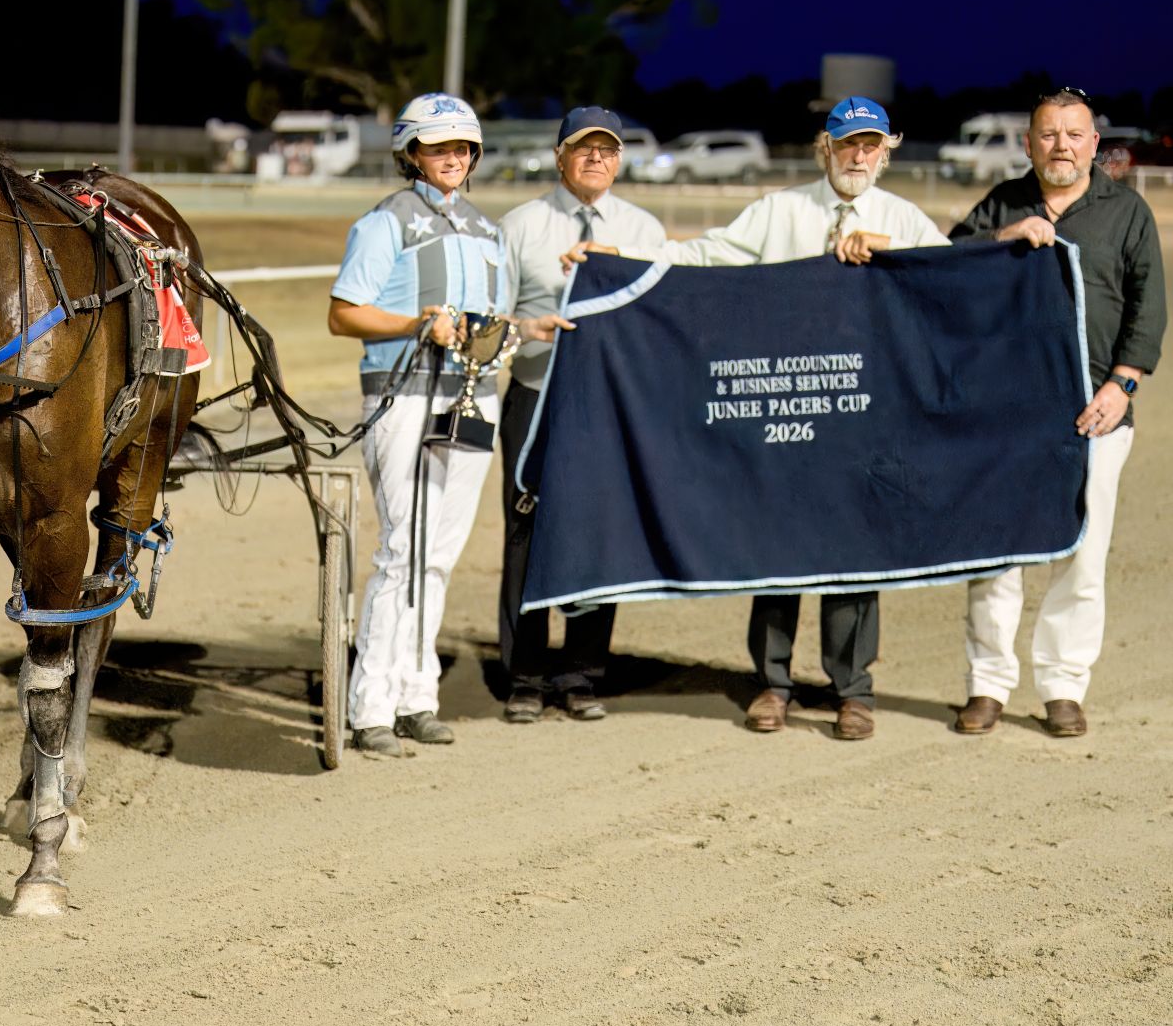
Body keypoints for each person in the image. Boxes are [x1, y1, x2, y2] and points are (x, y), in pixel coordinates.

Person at [571, 96, 948, 740]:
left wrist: (896, 253)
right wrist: (622, 261)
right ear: (824, 146)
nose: (860, 154)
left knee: (855, 550)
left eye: (872, 144)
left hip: (863, 412)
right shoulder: (780, 210)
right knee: (778, 544)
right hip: (784, 405)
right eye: (848, 142)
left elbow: (951, 278)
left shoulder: (904, 218)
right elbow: (709, 255)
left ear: (889, 148)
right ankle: (772, 683)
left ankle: (851, 689)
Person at [948, 87, 1164, 738]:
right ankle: (986, 683)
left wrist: (1120, 386)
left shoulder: (1125, 212)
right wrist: (1002, 236)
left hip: (1095, 413)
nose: (1061, 145)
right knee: (997, 552)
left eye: (1074, 134)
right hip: (1006, 413)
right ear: (1028, 143)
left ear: (1094, 144)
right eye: (1048, 134)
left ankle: (1062, 686)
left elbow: (1146, 307)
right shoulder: (1001, 204)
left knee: (1082, 551)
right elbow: (946, 269)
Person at [327, 92, 510, 757]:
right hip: (401, 397)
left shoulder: (489, 231)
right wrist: (413, 323)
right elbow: (342, 313)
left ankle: (417, 695)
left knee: (437, 557)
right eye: (439, 147)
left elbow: (498, 318)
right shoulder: (384, 223)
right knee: (402, 549)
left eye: (462, 147)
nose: (453, 158)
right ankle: (369, 705)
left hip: (471, 399)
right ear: (411, 154)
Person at [496, 107, 664, 723]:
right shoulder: (520, 225)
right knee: (527, 531)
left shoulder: (644, 228)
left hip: (609, 406)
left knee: (599, 530)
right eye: (583, 148)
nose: (597, 158)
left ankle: (582, 672)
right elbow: (495, 317)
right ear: (561, 156)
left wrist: (621, 262)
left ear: (619, 160)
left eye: (607, 150)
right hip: (536, 394)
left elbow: (661, 312)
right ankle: (525, 674)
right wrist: (525, 331)